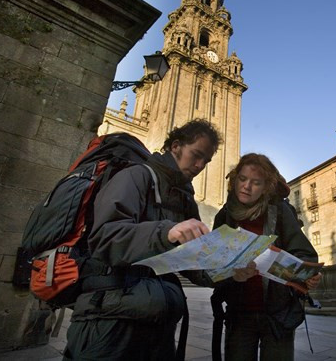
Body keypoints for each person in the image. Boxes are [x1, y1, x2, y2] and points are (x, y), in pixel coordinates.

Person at [63, 119, 222, 360]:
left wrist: (228, 270)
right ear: (176, 146)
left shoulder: (184, 198)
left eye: (206, 161)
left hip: (159, 323)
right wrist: (167, 232)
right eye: (196, 155)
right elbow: (105, 238)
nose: (200, 165)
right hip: (110, 321)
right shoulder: (136, 176)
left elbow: (191, 260)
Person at [211, 153, 321, 361]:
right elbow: (215, 265)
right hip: (239, 314)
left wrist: (308, 273)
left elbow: (304, 252)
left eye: (256, 182)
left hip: (277, 315)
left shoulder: (280, 211)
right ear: (234, 180)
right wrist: (232, 274)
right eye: (242, 179)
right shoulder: (224, 216)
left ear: (266, 187)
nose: (246, 186)